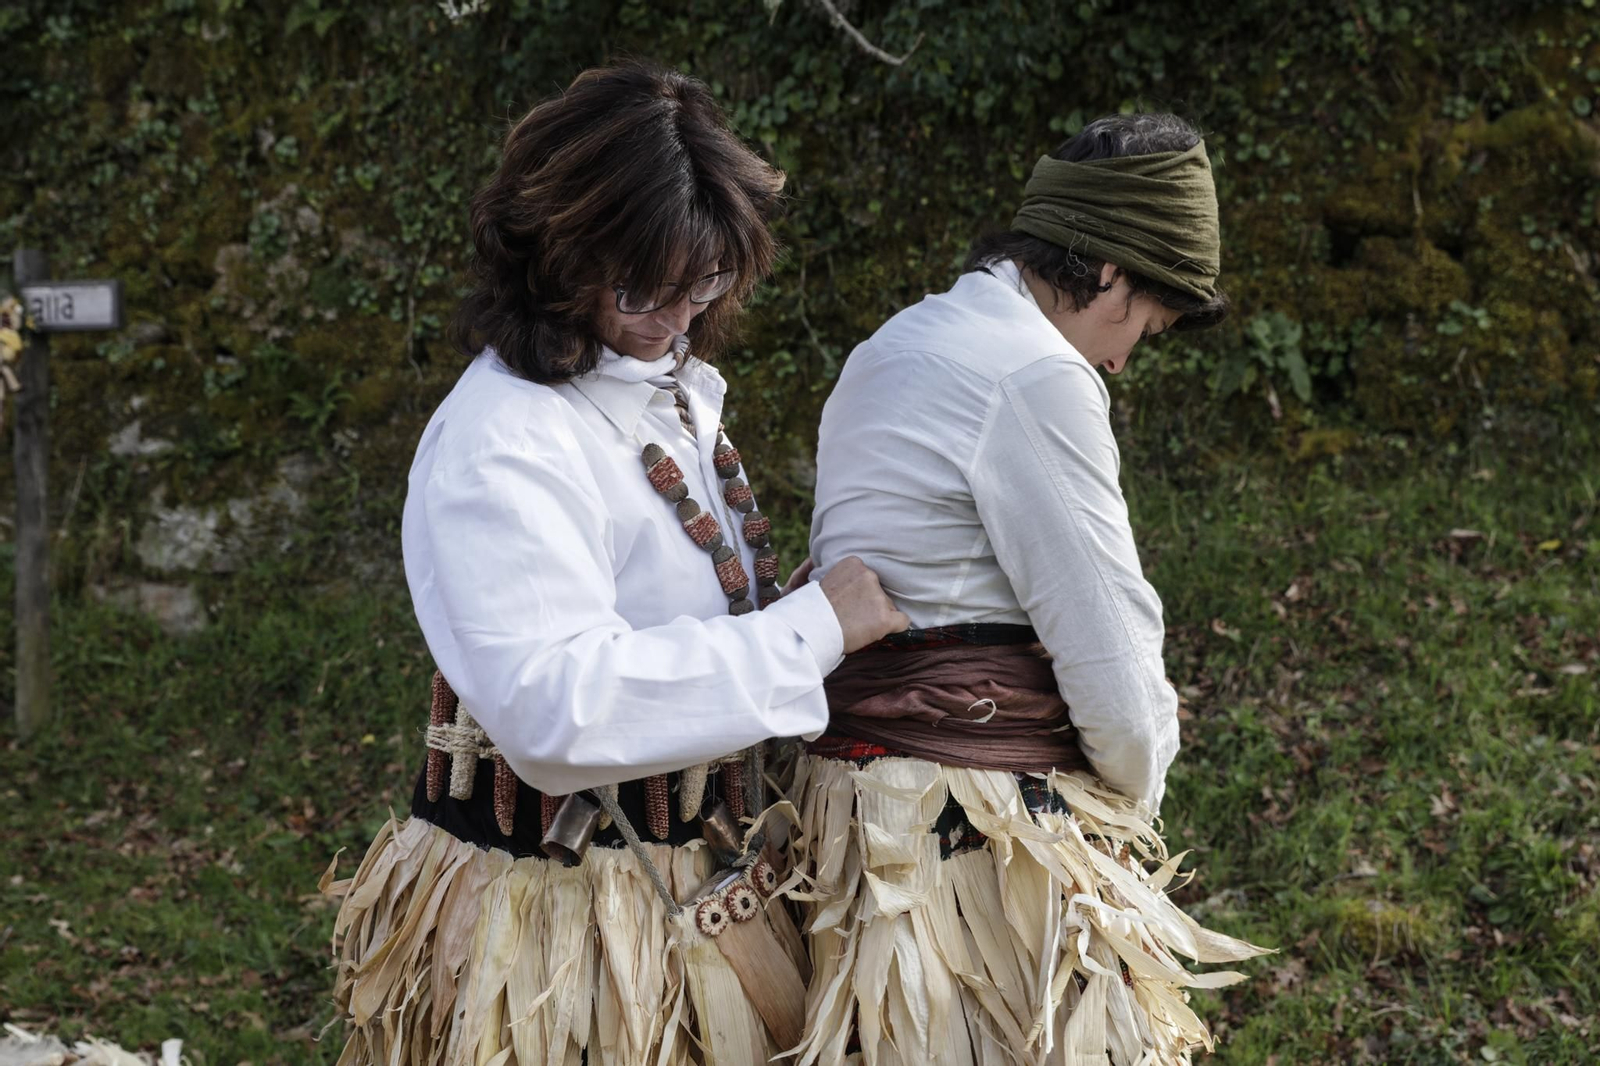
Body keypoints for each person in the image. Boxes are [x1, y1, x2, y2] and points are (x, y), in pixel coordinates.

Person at [321, 62, 906, 1064]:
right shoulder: (503, 440)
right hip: (562, 928)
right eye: (642, 288)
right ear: (554, 257)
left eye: (703, 283)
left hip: (691, 888)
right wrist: (808, 632)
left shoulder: (657, 388)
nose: (674, 320)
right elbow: (555, 708)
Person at [795, 113, 1269, 1064]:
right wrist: (1136, 797)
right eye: (1141, 318)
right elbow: (1111, 655)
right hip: (967, 845)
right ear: (1108, 268)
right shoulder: (1033, 374)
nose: (1125, 355)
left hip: (843, 825)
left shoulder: (892, 343)